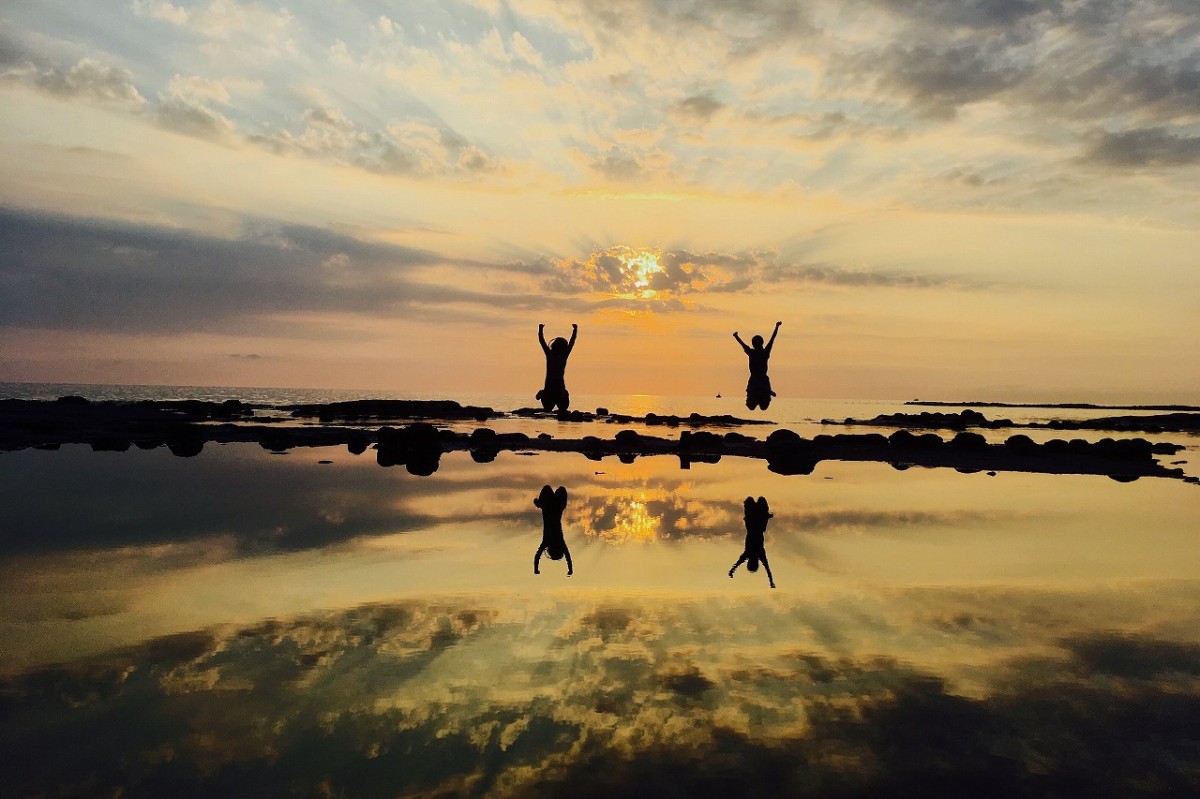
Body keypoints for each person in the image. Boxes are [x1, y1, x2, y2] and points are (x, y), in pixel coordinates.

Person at [733, 321, 781, 410]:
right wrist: (777, 326)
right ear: (762, 343)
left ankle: (764, 393)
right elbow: (772, 339)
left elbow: (742, 344)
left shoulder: (752, 352)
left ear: (753, 344)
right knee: (762, 407)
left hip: (756, 380)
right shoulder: (764, 352)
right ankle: (765, 392)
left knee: (752, 406)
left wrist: (736, 336)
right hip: (760, 380)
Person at [729, 496, 775, 588]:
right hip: (757, 523)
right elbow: (767, 569)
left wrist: (732, 570)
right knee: (758, 500)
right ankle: (764, 515)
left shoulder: (750, 554)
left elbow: (738, 563)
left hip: (753, 523)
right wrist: (771, 581)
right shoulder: (757, 554)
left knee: (750, 500)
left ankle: (764, 515)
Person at [537, 323, 578, 412]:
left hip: (552, 382)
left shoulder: (551, 354)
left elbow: (541, 341)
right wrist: (575, 330)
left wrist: (540, 329)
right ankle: (545, 394)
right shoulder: (561, 355)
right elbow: (572, 342)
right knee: (557, 408)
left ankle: (545, 394)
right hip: (555, 382)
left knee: (550, 408)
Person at [534, 485, 573, 576]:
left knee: (557, 489)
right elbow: (537, 556)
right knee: (552, 488)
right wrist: (536, 568)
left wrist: (570, 569)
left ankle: (540, 504)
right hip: (551, 507)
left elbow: (567, 556)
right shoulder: (552, 541)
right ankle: (540, 504)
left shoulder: (550, 541)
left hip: (554, 507)